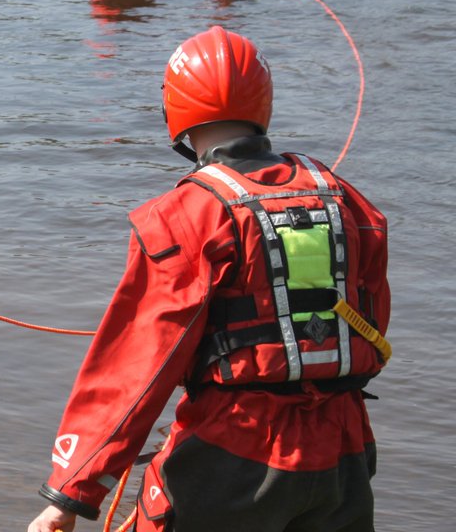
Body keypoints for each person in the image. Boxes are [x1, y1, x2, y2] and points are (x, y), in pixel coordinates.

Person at [28, 26, 390, 532]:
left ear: (174, 108)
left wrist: (69, 495)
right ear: (262, 102)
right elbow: (372, 319)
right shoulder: (346, 199)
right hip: (344, 450)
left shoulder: (187, 214)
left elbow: (135, 369)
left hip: (233, 452)